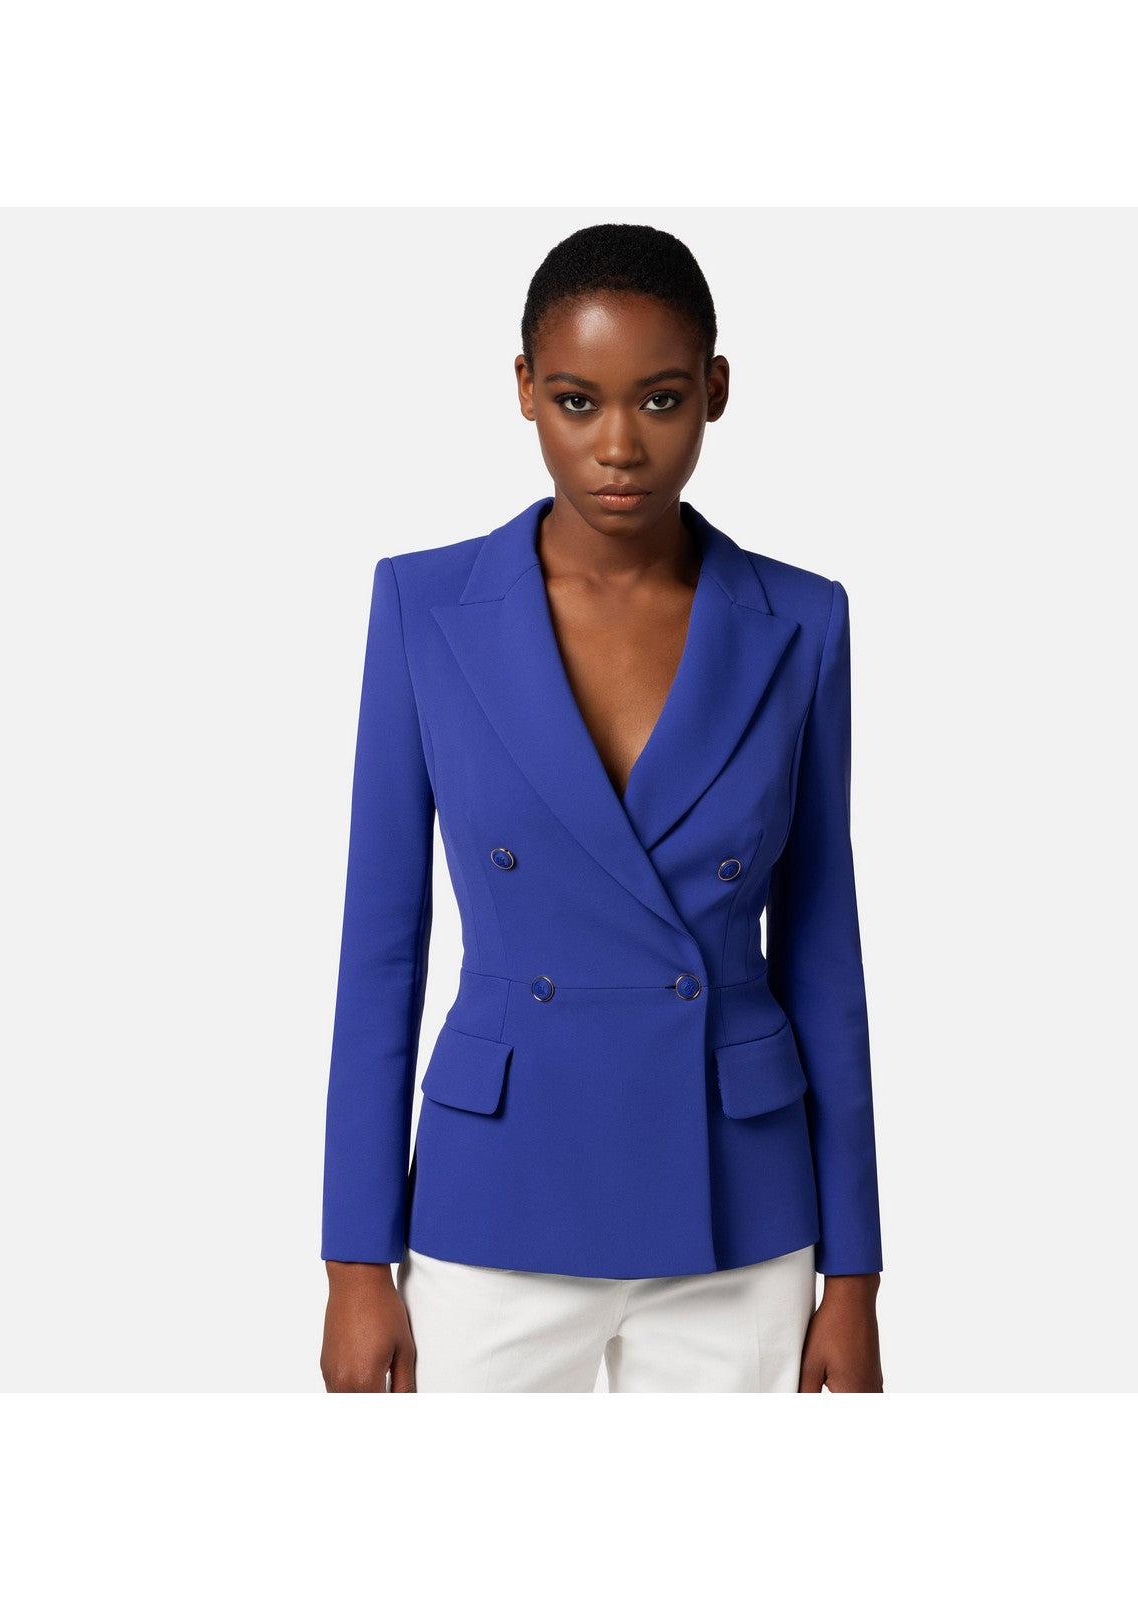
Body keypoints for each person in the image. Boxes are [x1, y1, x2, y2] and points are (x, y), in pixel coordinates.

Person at [319, 223, 884, 1393]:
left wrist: (856, 1275)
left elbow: (823, 952)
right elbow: (380, 949)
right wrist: (353, 1260)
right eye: (578, 401)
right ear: (526, 388)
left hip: (738, 1205)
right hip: (494, 1192)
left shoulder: (802, 620)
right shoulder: (423, 605)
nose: (619, 446)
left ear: (715, 390)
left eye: (661, 399)